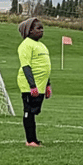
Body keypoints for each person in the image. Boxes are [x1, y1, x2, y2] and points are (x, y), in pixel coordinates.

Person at [17, 17, 51, 147]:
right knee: (29, 111)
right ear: (29, 31)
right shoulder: (26, 45)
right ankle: (30, 140)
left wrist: (48, 85)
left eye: (42, 28)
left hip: (41, 85)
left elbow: (45, 67)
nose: (41, 31)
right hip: (29, 85)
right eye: (38, 28)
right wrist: (32, 86)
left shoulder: (42, 46)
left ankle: (34, 139)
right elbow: (26, 66)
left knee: (35, 111)